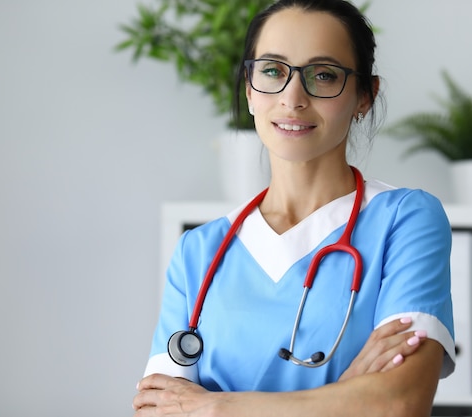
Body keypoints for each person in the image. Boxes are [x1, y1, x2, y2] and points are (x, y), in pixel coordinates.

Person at [133, 0, 455, 415]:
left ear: (364, 97)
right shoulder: (199, 251)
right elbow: (157, 410)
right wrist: (348, 391)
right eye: (272, 71)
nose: (293, 97)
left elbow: (398, 402)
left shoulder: (405, 220)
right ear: (249, 90)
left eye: (323, 75)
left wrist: (215, 408)